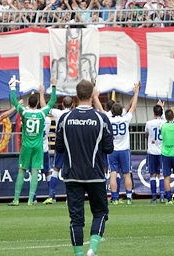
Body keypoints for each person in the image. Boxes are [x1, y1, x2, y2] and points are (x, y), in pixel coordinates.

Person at [55, 79, 113, 256]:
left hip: (72, 174)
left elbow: (58, 148)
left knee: (76, 219)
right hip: (95, 173)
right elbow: (109, 148)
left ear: (76, 95)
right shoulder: (101, 118)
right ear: (93, 95)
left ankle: (79, 254)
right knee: (101, 212)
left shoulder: (65, 118)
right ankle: (92, 250)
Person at [8, 76, 57, 206]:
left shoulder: (24, 112)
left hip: (26, 145)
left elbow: (13, 100)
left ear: (28, 103)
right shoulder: (42, 113)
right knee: (35, 171)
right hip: (38, 146)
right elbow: (52, 101)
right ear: (37, 104)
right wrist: (53, 86)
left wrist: (12, 87)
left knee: (22, 170)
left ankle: (16, 199)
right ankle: (30, 200)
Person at [106, 82, 141, 205]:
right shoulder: (125, 119)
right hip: (124, 150)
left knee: (113, 175)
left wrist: (94, 96)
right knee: (127, 174)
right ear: (121, 111)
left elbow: (99, 107)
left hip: (113, 150)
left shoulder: (108, 118)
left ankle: (114, 198)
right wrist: (136, 93)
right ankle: (129, 197)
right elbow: (133, 107)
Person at [45, 96, 75, 204]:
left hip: (60, 143)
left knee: (56, 168)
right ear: (72, 105)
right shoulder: (74, 114)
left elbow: (45, 107)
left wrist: (41, 93)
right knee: (71, 170)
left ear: (62, 104)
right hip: (72, 144)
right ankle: (69, 197)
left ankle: (51, 196)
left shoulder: (57, 113)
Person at [144, 100, 166, 203]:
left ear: (153, 113)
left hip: (152, 151)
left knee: (152, 174)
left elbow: (146, 135)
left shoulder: (149, 123)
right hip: (162, 152)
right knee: (162, 174)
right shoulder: (165, 123)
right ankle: (162, 195)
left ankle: (153, 197)